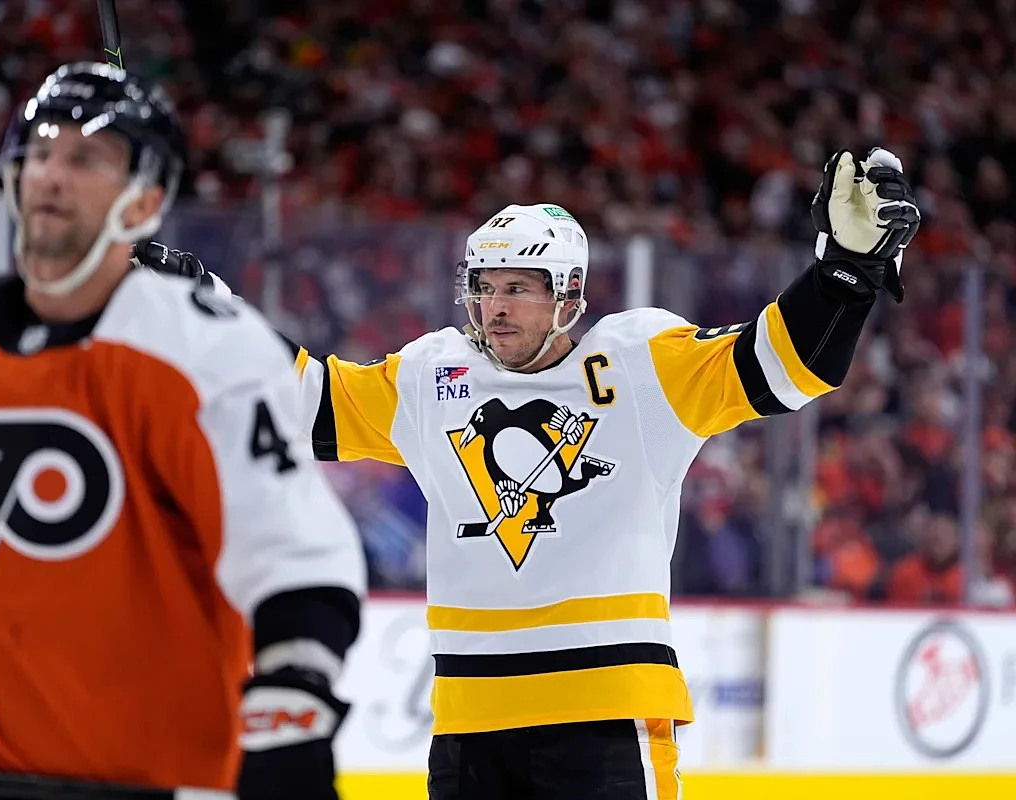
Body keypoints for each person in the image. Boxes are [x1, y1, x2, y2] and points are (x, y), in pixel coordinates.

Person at [255, 148, 917, 798]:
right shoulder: (432, 375)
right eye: (484, 287)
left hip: (606, 718)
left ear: (567, 294)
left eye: (518, 288)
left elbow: (784, 364)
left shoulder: (642, 365)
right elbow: (307, 402)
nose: (494, 308)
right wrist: (214, 310)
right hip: (470, 727)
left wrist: (844, 272)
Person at [0, 62, 365, 800]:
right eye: (40, 152)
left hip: (139, 779)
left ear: (146, 200)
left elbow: (293, 553)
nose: (51, 174)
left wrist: (291, 702)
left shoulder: (205, 350)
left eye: (85, 159)